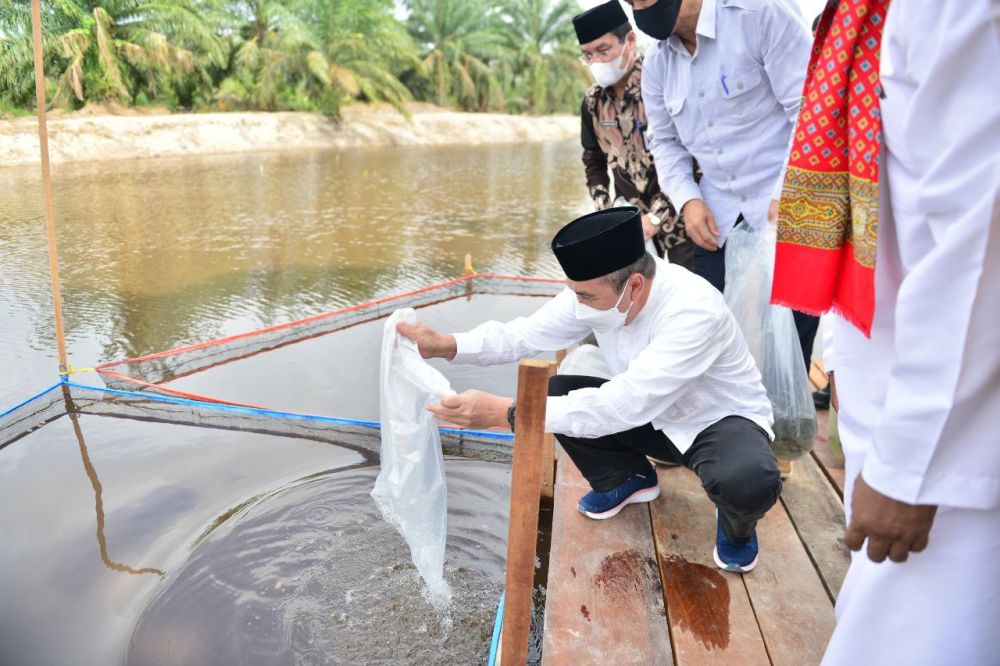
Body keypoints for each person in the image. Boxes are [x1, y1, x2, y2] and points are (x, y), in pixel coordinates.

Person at [770, 1, 1000, 663]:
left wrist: (910, 468)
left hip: (951, 446)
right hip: (892, 397)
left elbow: (979, 250)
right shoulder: (858, 13)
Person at [397, 207, 781, 573]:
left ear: (634, 285)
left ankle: (737, 526)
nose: (578, 305)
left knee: (748, 481)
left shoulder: (693, 310)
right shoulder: (600, 289)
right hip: (649, 418)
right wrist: (446, 344)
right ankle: (627, 477)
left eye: (585, 297)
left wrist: (507, 414)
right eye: (575, 293)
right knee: (556, 393)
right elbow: (525, 335)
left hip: (714, 422)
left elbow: (624, 403)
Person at [628, 0, 819, 369]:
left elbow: (809, 110)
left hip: (792, 208)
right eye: (632, 2)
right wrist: (688, 200)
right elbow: (664, 142)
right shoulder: (657, 64)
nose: (641, 8)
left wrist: (788, 191)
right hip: (717, 220)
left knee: (791, 346)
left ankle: (783, 408)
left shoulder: (760, 14)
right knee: (711, 335)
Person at [573, 0, 693, 268]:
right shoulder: (592, 103)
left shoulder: (661, 81)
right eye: (588, 55)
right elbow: (593, 160)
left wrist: (656, 217)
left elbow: (693, 153)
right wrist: (605, 215)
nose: (596, 62)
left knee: (689, 289)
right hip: (631, 226)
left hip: (684, 222)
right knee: (638, 290)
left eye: (603, 50)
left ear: (629, 40)